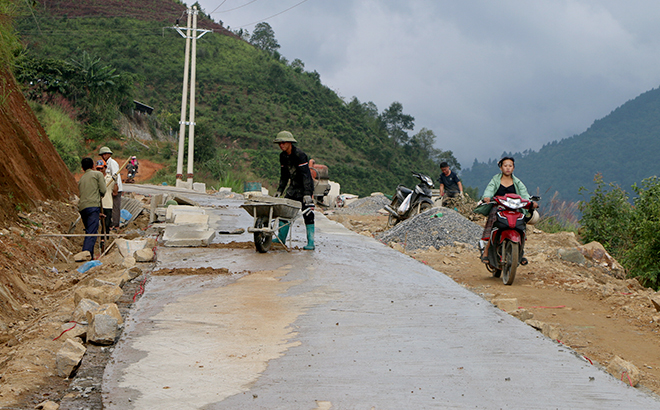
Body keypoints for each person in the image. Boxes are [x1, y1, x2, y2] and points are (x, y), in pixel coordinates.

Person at [478, 156, 537, 265]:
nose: (508, 168)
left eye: (510, 166)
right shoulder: (496, 179)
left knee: (521, 225)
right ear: (501, 167)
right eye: (505, 166)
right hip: (499, 207)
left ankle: (521, 253)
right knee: (493, 224)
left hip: (514, 209)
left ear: (513, 168)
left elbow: (524, 194)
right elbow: (489, 189)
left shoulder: (517, 182)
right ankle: (486, 252)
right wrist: (487, 197)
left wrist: (530, 202)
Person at [272, 130, 316, 250]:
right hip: (293, 188)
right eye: (279, 143)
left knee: (308, 213)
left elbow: (306, 175)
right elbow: (284, 175)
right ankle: (281, 239)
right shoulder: (283, 156)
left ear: (290, 143)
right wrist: (280, 190)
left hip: (304, 187)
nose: (281, 145)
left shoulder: (300, 155)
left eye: (283, 143)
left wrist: (307, 193)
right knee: (284, 212)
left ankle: (311, 243)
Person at [78, 157, 106, 259]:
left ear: (82, 168)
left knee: (89, 231)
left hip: (83, 208)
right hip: (93, 206)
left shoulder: (82, 179)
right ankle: (86, 255)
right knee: (92, 233)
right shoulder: (98, 174)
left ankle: (90, 255)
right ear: (93, 166)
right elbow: (103, 190)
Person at [99, 146, 123, 229]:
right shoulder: (106, 164)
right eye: (102, 155)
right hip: (109, 189)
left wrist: (115, 189)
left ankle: (116, 225)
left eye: (105, 154)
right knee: (110, 206)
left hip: (115, 188)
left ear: (109, 154)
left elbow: (115, 176)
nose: (103, 156)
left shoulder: (112, 163)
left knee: (115, 207)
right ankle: (110, 223)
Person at [95, 159, 116, 237]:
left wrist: (115, 181)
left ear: (105, 168)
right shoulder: (95, 179)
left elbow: (115, 192)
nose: (100, 170)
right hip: (97, 204)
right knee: (97, 224)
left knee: (106, 224)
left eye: (101, 168)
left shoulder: (110, 179)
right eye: (98, 169)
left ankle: (105, 239)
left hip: (107, 204)